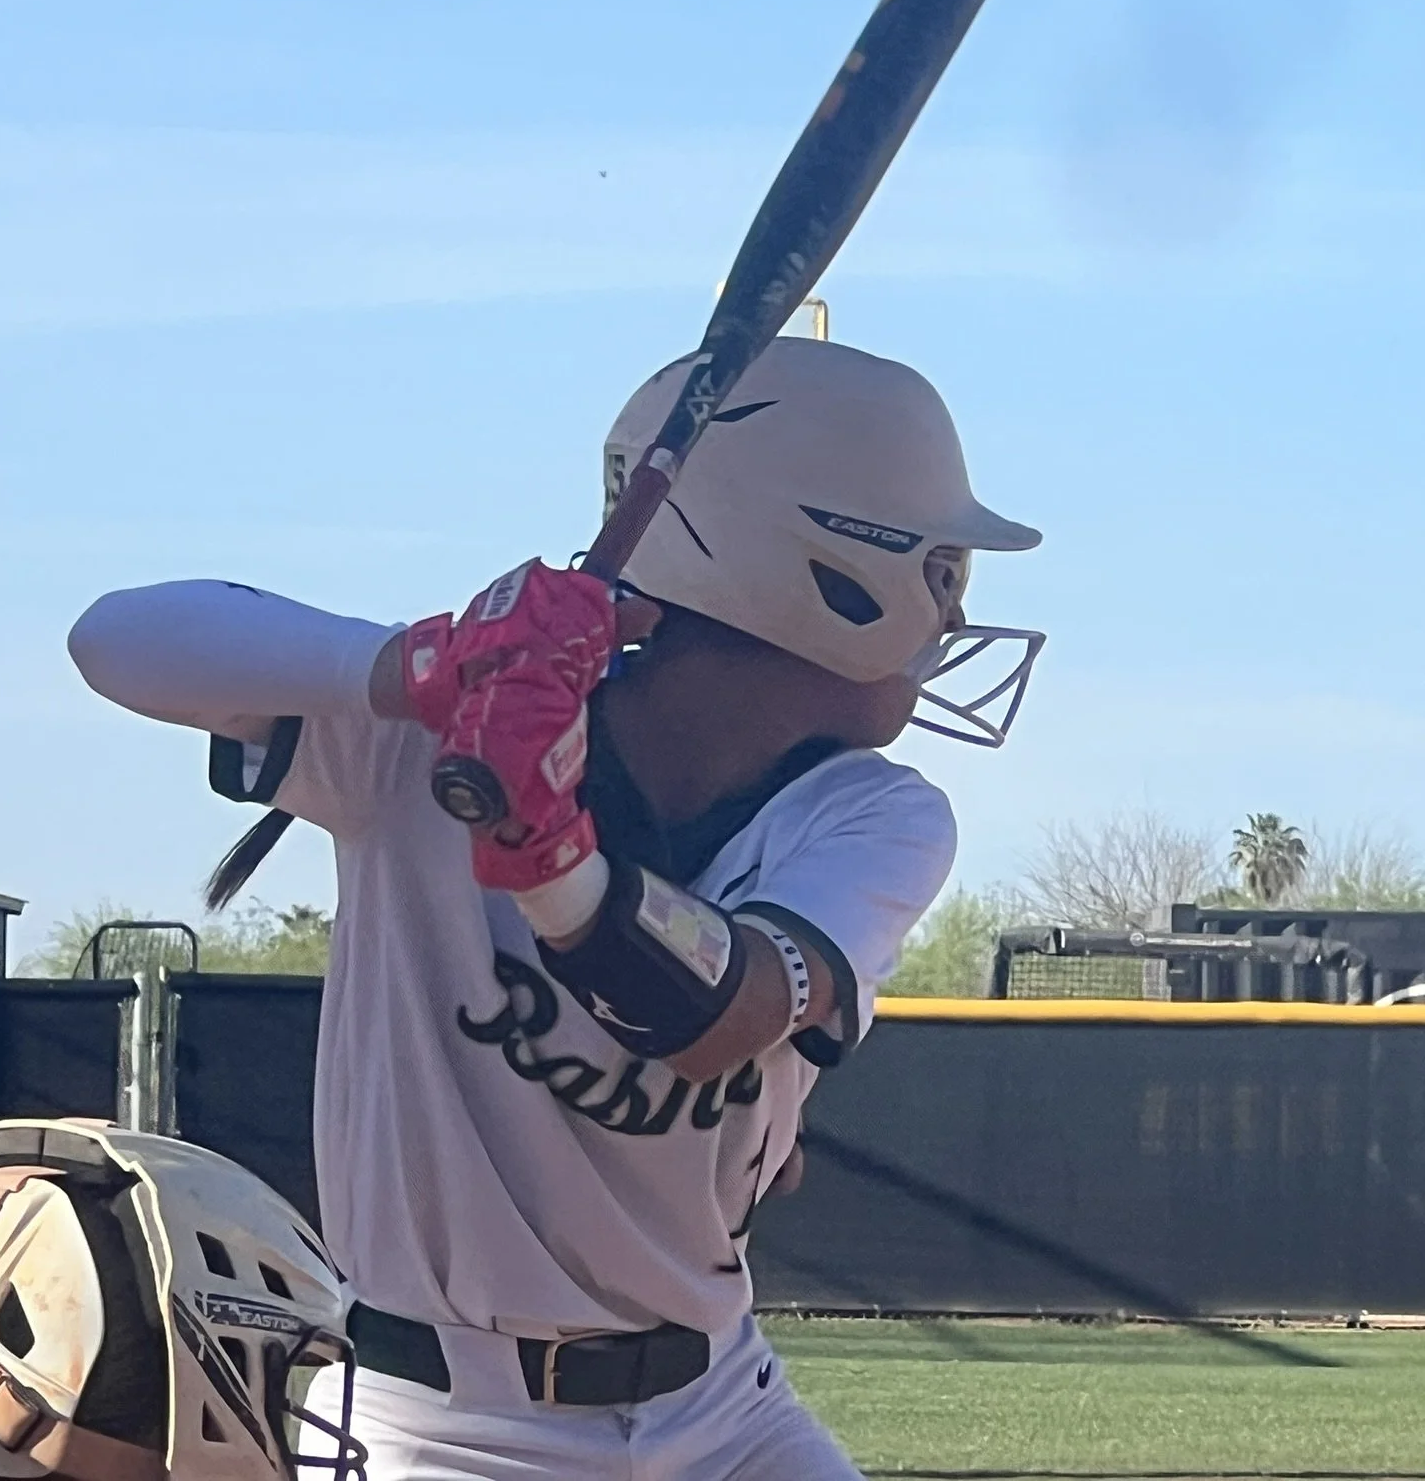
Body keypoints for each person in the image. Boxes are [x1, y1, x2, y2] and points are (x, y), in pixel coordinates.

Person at [68, 335, 1043, 1479]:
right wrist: (417, 664)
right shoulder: (426, 744)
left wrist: (548, 855)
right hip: (432, 1426)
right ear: (821, 566)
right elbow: (114, 639)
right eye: (939, 566)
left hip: (720, 1410)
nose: (950, 608)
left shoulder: (875, 814)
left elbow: (715, 1010)